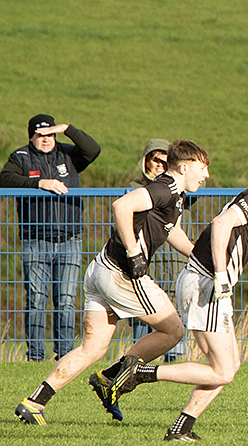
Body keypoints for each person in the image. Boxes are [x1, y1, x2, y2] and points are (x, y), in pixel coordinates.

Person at [103, 143, 248, 441]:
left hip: (210, 284)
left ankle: (181, 428)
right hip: (206, 283)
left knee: (229, 366)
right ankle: (139, 373)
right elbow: (221, 224)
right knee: (223, 371)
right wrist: (220, 273)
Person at [14, 140, 210, 425]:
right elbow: (121, 206)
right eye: (202, 169)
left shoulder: (175, 194)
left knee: (92, 348)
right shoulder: (165, 188)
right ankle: (112, 378)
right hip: (121, 274)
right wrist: (133, 253)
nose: (205, 175)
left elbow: (172, 230)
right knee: (173, 330)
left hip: (100, 269)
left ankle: (34, 403)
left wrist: (198, 257)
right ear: (184, 168)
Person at [0, 114, 101, 361]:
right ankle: (35, 356)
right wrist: (40, 183)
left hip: (70, 239)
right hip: (35, 240)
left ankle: (64, 355)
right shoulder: (20, 157)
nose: (46, 139)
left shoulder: (68, 154)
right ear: (31, 137)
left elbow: (93, 150)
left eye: (51, 134)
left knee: (66, 301)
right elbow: (5, 179)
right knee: (36, 300)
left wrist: (68, 129)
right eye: (40, 135)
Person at [128, 139, 189, 362]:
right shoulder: (135, 189)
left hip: (174, 262)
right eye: (156, 159)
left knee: (174, 310)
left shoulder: (181, 191)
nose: (160, 165)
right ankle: (135, 361)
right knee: (142, 312)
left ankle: (173, 362)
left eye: (166, 161)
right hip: (145, 261)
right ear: (146, 161)